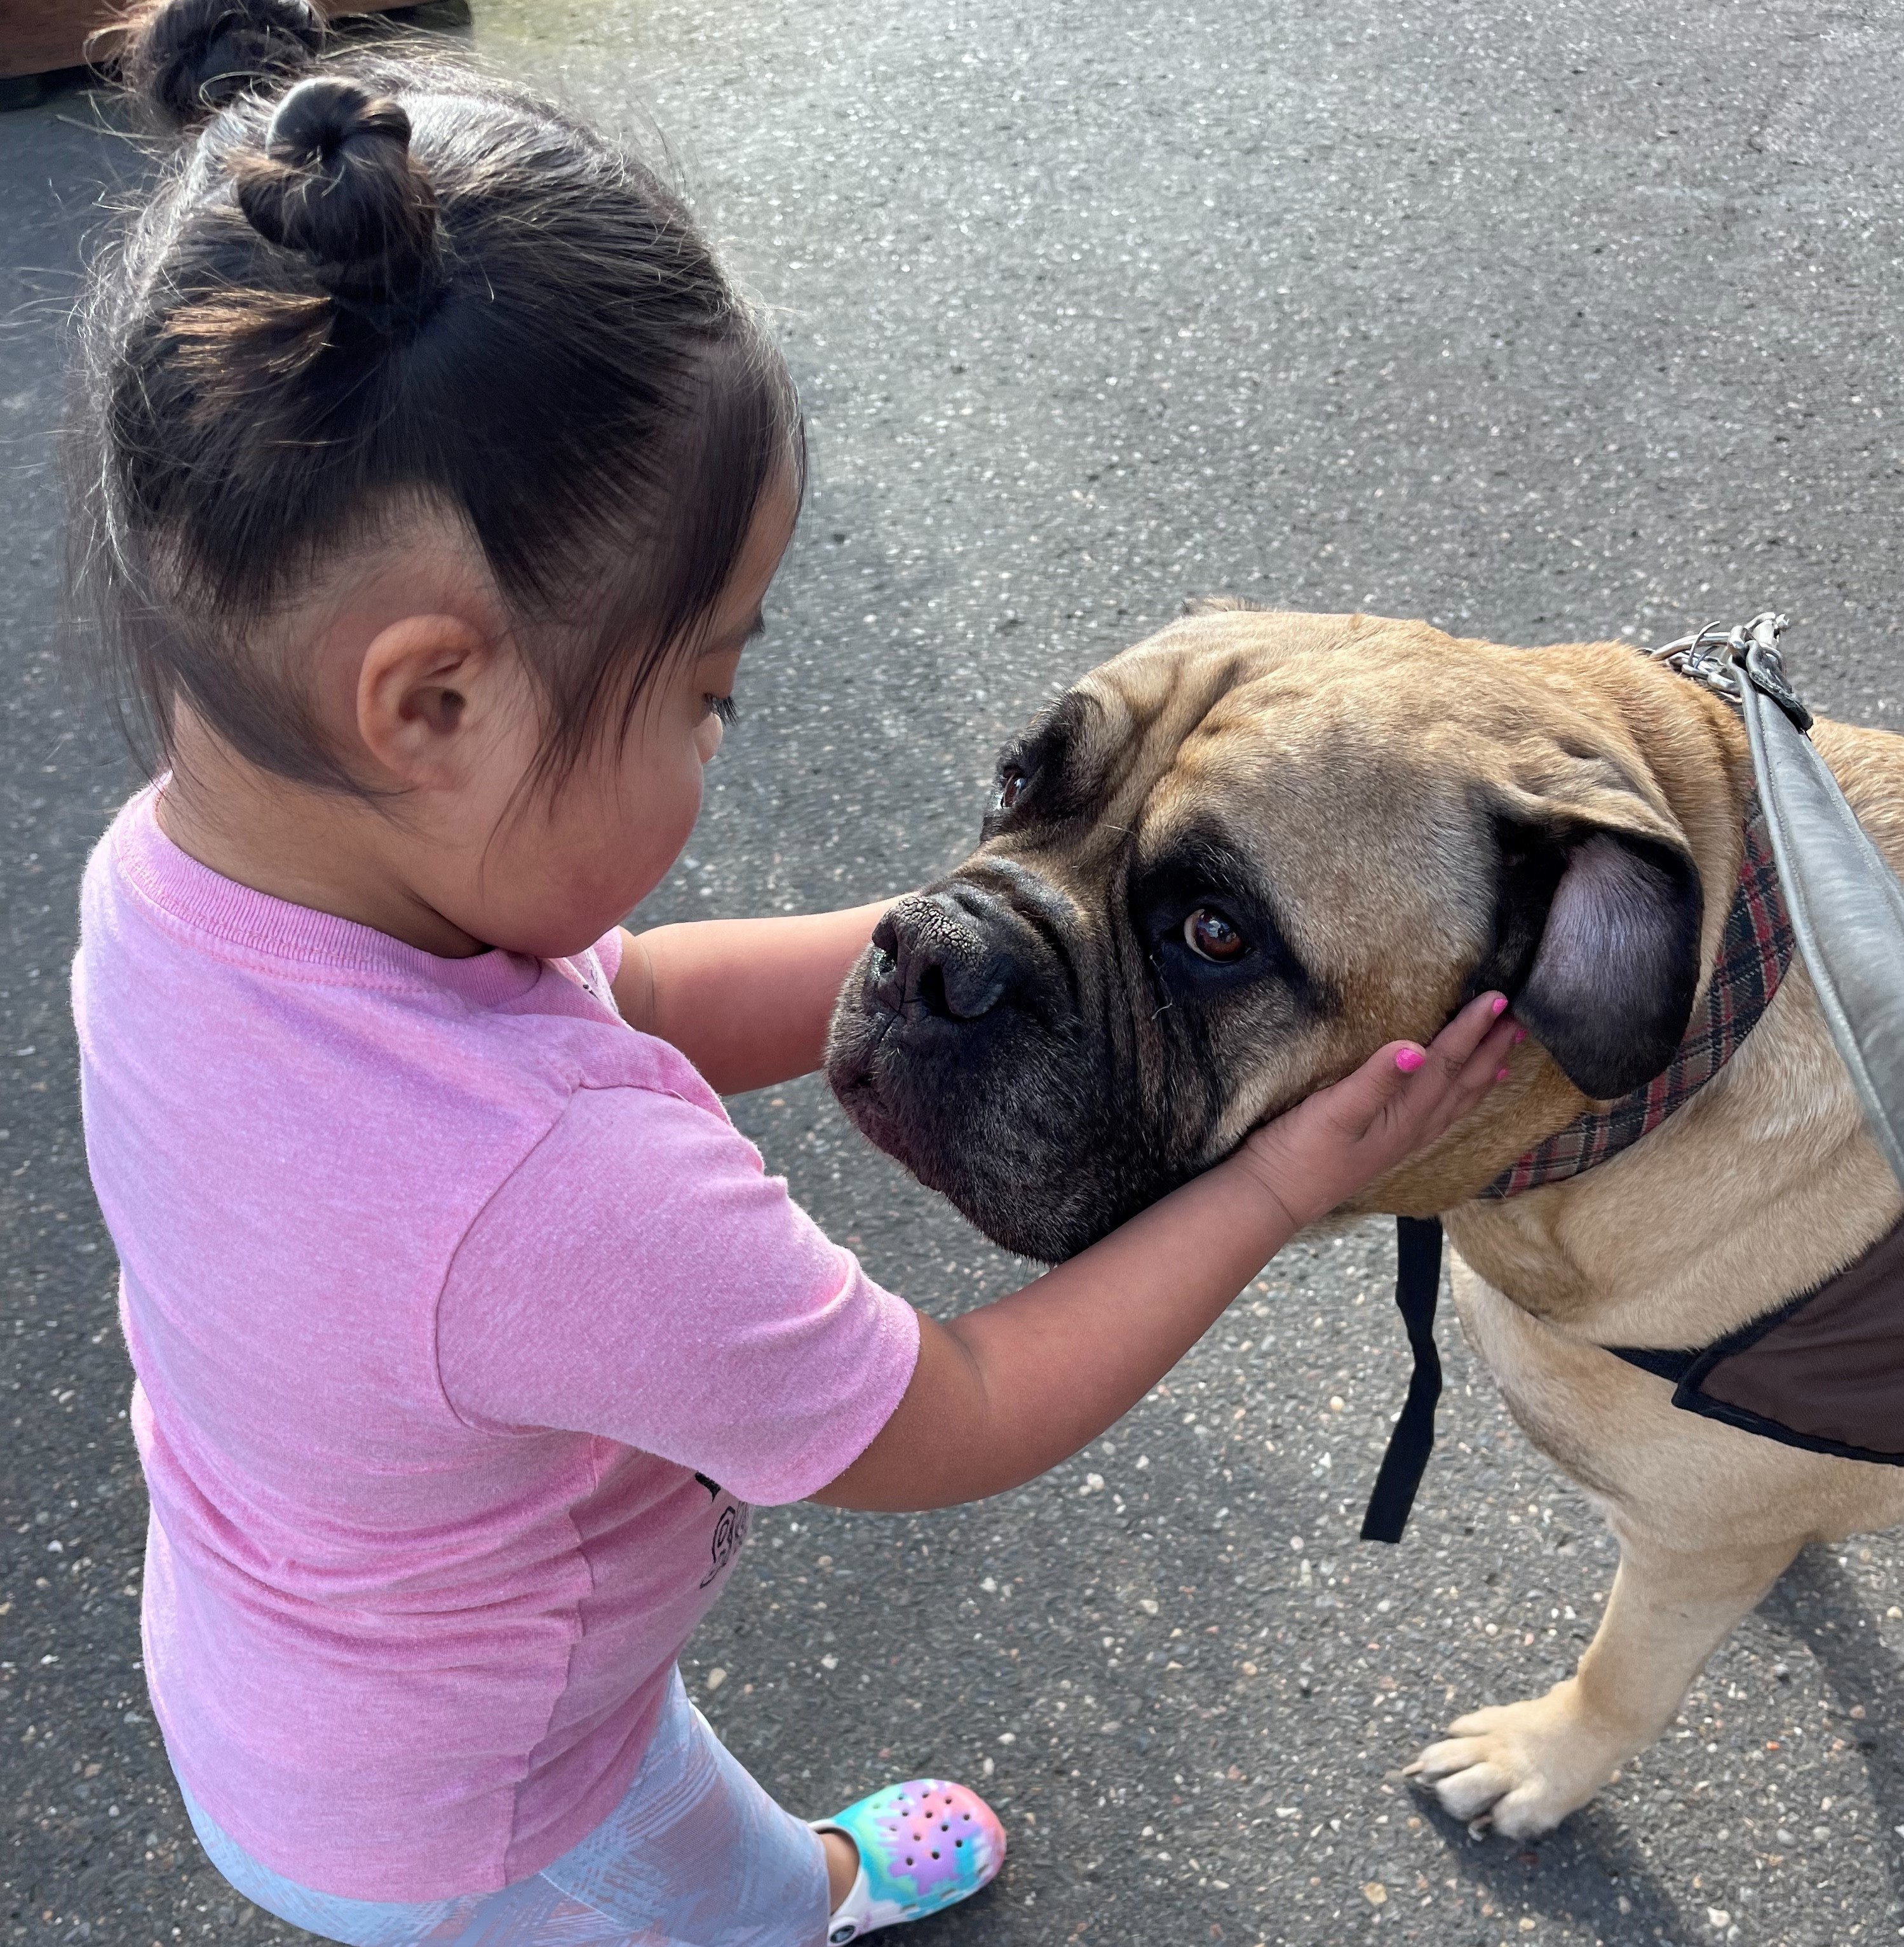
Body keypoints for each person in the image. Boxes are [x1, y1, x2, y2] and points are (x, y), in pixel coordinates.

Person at [65, 4, 1520, 1943]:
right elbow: (965, 1402)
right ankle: (782, 1910)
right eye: (708, 690)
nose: (718, 738)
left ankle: (786, 1884)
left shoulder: (179, 875)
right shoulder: (565, 1199)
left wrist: (1016, 946)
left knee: (667, 1826)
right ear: (432, 697)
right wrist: (1270, 1186)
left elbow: (628, 994)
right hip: (471, 1808)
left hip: (339, 1656)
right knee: (665, 1892)